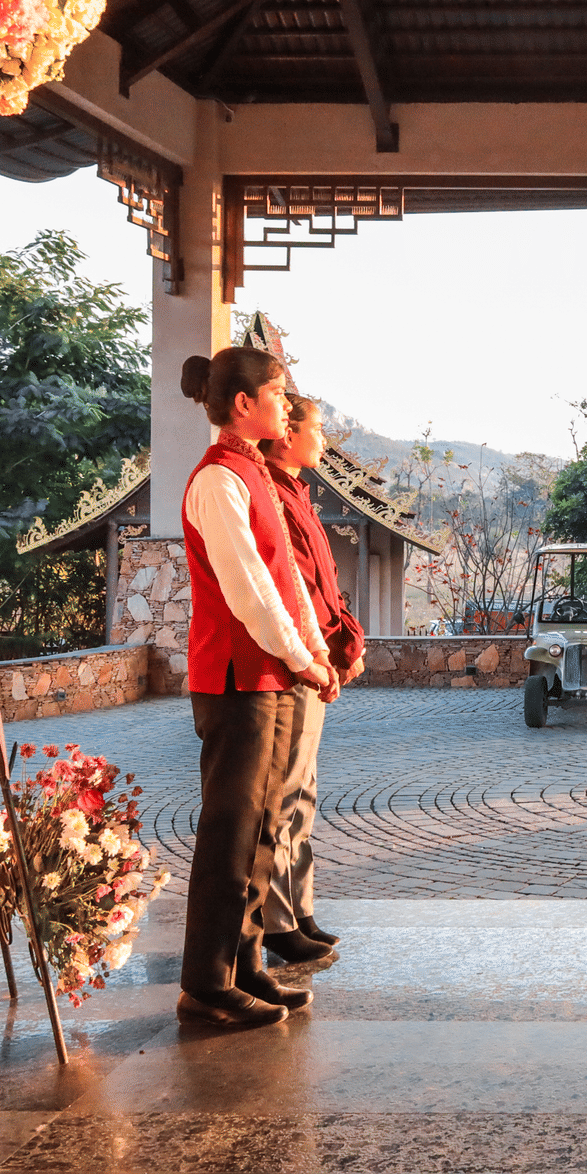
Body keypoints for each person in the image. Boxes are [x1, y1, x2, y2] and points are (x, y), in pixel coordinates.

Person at [177, 348, 338, 1029]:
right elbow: (252, 593)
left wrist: (314, 655)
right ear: (242, 404)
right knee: (229, 832)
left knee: (262, 832)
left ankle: (246, 966)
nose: (285, 404)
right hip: (237, 679)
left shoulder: (256, 476)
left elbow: (292, 588)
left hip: (268, 676)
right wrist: (305, 658)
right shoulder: (219, 481)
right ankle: (205, 983)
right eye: (276, 393)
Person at [258, 396, 365, 965]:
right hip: (297, 661)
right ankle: (276, 919)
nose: (325, 440)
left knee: (304, 793)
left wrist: (348, 637)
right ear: (287, 432)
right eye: (317, 428)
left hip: (320, 654)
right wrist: (329, 651)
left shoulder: (299, 492)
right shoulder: (271, 493)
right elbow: (294, 590)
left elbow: (324, 585)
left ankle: (299, 907)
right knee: (283, 794)